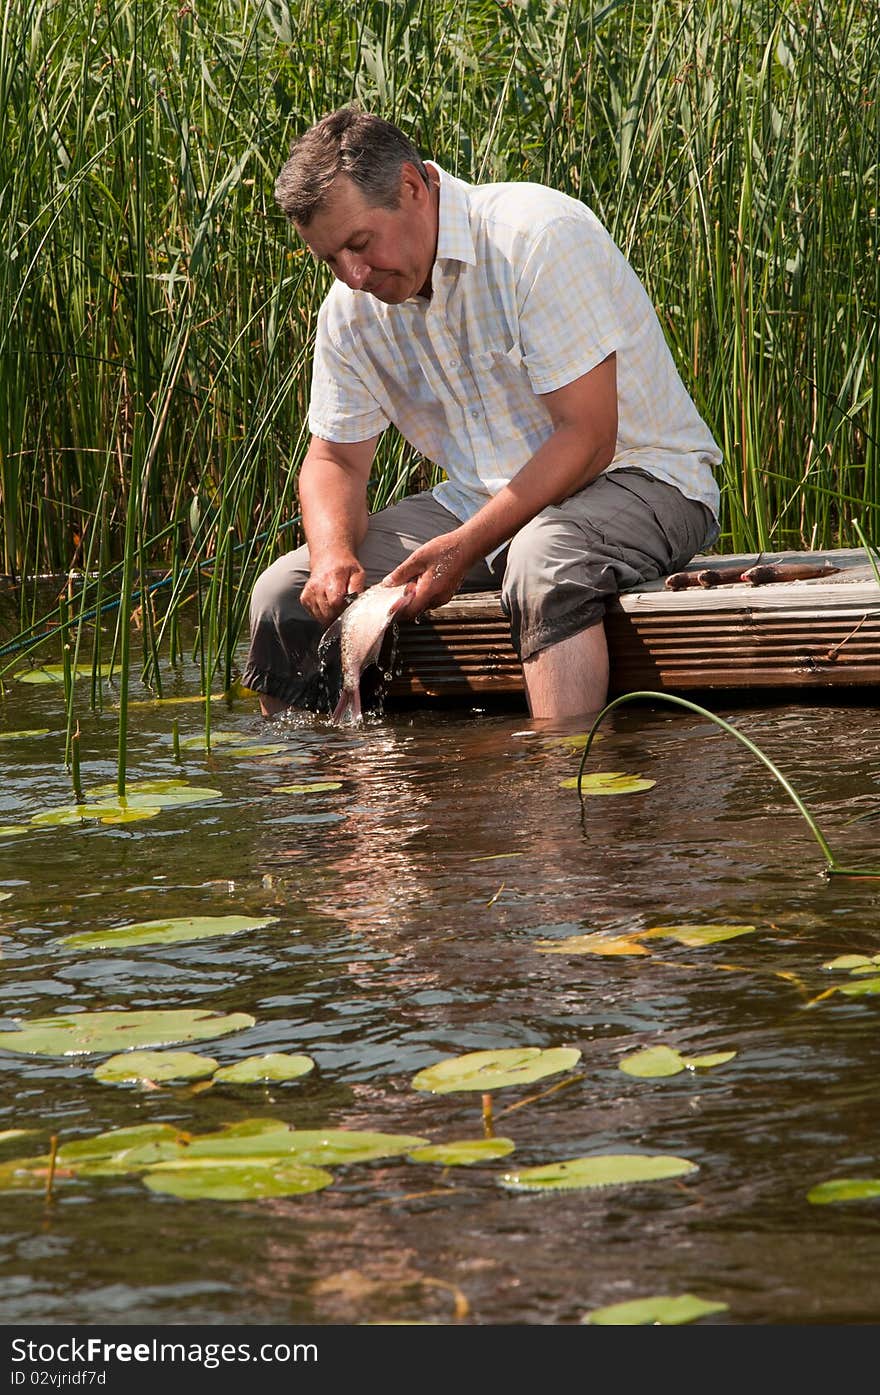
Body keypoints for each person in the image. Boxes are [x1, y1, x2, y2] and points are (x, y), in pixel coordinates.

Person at [244, 105, 721, 721]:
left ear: (412, 188)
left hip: (645, 479)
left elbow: (590, 437)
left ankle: (561, 792)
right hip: (483, 505)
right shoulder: (348, 310)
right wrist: (334, 552)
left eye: (359, 244)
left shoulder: (535, 237)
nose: (353, 275)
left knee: (543, 560)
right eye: (330, 258)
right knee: (283, 593)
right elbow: (334, 458)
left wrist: (466, 546)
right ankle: (320, 803)